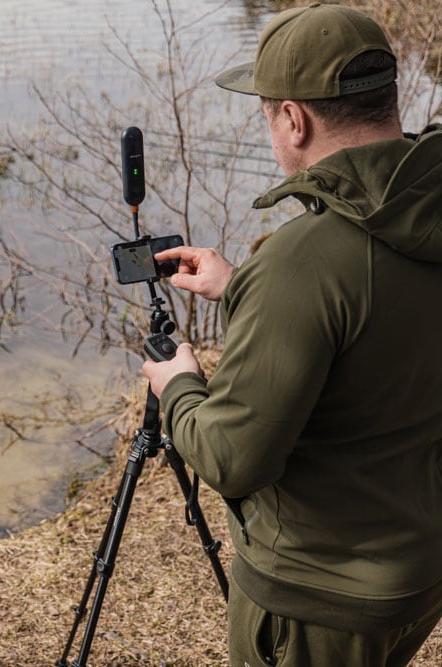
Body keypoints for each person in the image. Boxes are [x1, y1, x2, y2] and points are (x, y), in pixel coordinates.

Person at [140, 4, 442, 666]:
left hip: (316, 600)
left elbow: (233, 458)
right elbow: (377, 312)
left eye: (267, 112)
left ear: (293, 119)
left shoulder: (304, 261)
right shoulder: (424, 212)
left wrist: (179, 382)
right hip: (418, 571)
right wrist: (247, 285)